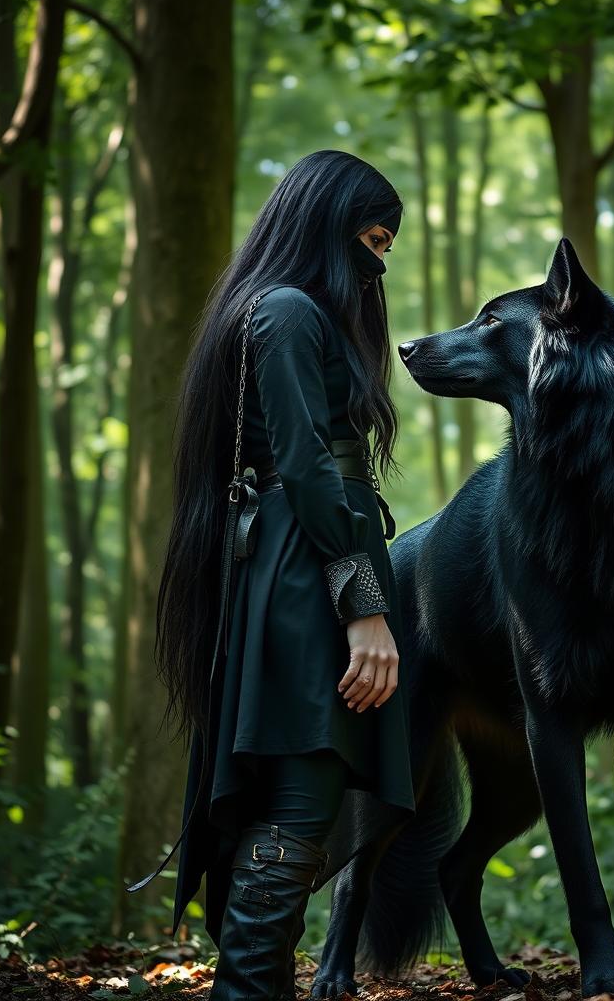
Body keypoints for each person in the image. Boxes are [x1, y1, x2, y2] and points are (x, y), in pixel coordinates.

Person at [126, 149, 416, 1001]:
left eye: (388, 243)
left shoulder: (282, 312)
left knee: (293, 803)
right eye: (372, 237)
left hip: (296, 577)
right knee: (297, 804)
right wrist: (364, 606)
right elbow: (304, 468)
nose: (380, 261)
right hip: (304, 585)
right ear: (326, 223)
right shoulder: (286, 311)